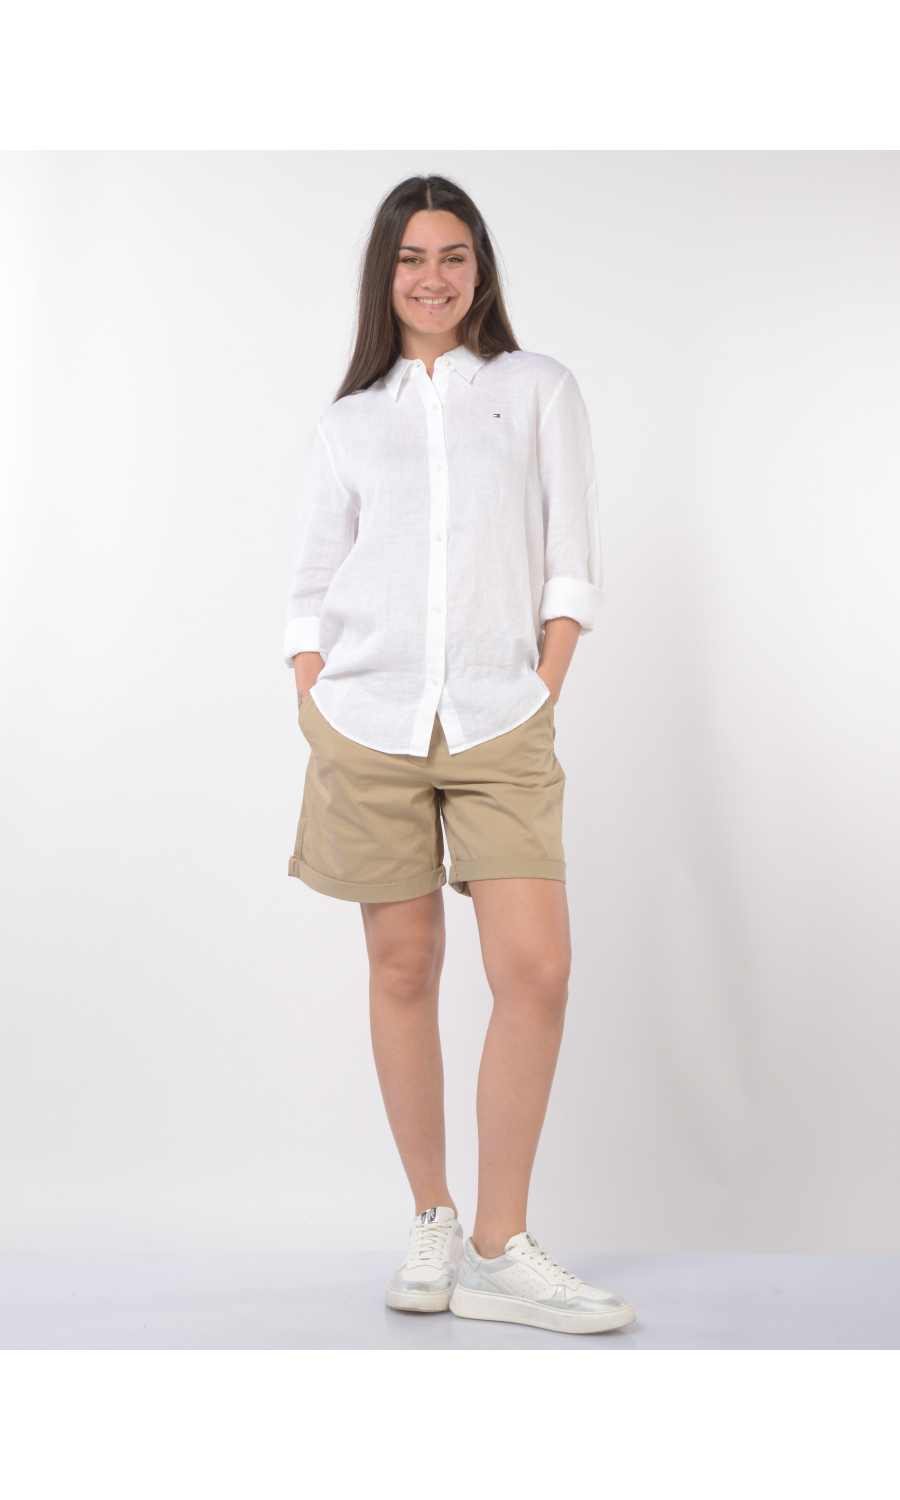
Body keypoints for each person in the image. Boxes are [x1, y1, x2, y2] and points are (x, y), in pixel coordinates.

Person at [284, 175, 634, 1335]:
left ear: (479, 267)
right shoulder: (351, 420)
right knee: (403, 969)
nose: (431, 278)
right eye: (410, 258)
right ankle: (431, 1220)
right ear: (383, 275)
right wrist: (313, 691)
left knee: (536, 970)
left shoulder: (536, 390)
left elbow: (571, 558)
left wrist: (544, 682)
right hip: (368, 722)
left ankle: (500, 1244)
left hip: (499, 719)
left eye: (452, 255)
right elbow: (312, 580)